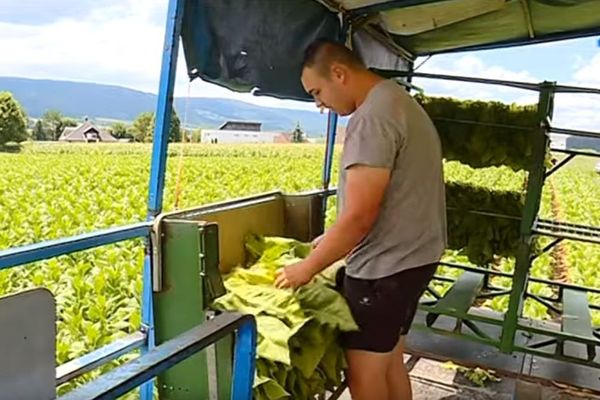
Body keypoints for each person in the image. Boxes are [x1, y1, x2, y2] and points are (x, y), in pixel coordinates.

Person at [274, 38, 447, 400]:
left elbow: (360, 217)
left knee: (365, 376)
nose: (319, 104)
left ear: (339, 73)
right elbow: (388, 201)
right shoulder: (399, 102)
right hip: (415, 260)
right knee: (390, 359)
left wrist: (306, 268)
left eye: (317, 91)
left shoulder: (372, 117)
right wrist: (331, 238)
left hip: (383, 272)